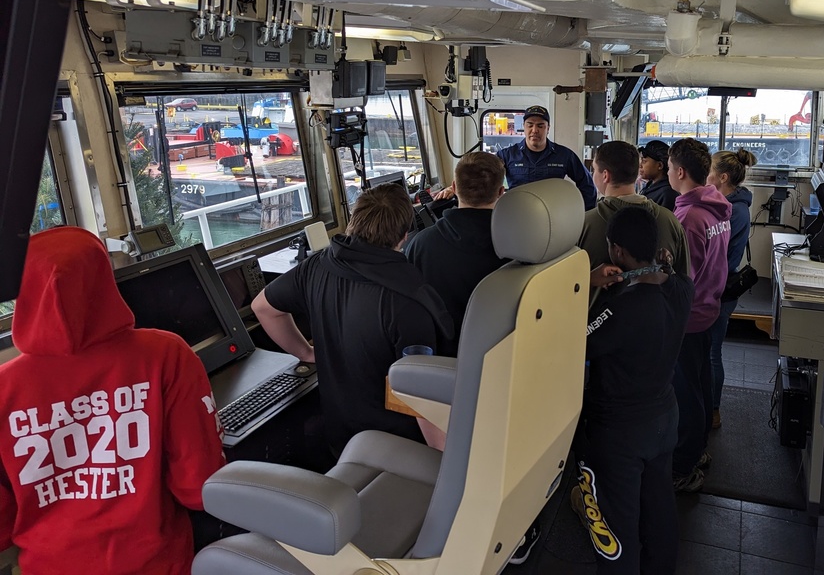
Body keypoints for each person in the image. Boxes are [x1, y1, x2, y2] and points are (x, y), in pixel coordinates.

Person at [0, 227, 225, 575]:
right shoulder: (166, 355)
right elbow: (198, 488)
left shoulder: (4, 387)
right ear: (104, 279)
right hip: (157, 562)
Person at [252, 183, 453, 456]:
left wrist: (307, 353)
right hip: (399, 446)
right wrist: (444, 458)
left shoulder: (316, 265)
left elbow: (263, 307)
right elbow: (417, 393)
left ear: (353, 222)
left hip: (341, 438)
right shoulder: (409, 301)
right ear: (404, 235)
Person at [573, 206, 694, 574]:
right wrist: (643, 271)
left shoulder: (621, 311)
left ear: (617, 251)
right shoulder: (681, 289)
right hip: (663, 418)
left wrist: (583, 283)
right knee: (659, 511)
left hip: (619, 432)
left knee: (614, 525)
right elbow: (663, 279)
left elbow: (575, 341)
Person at [666, 138, 732, 492]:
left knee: (685, 391)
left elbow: (682, 277)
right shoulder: (717, 205)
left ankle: (684, 464)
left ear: (679, 171)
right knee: (701, 384)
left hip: (689, 317)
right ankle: (699, 449)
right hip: (709, 308)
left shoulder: (688, 217)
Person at [404, 151, 509, 354]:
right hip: (502, 359)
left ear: (453, 188)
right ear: (500, 192)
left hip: (443, 363)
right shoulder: (522, 245)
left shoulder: (421, 245)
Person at [579, 140, 690, 280]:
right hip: (660, 302)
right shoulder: (670, 220)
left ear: (605, 175)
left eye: (594, 169)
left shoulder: (584, 224)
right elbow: (684, 281)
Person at [706, 148, 758, 430]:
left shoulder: (735, 211)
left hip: (721, 290)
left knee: (713, 352)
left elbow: (718, 252)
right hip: (717, 286)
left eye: (710, 171)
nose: (706, 176)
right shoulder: (727, 204)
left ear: (723, 177)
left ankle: (713, 410)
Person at [497, 105, 598, 210]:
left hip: (552, 217)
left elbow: (587, 184)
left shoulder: (564, 155)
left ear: (548, 128)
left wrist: (585, 214)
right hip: (518, 215)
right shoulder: (507, 155)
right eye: (530, 125)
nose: (534, 130)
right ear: (524, 127)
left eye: (540, 126)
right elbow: (489, 183)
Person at [638, 140, 679, 211]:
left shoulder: (667, 194)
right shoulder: (651, 186)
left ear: (660, 165)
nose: (640, 165)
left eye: (644, 161)